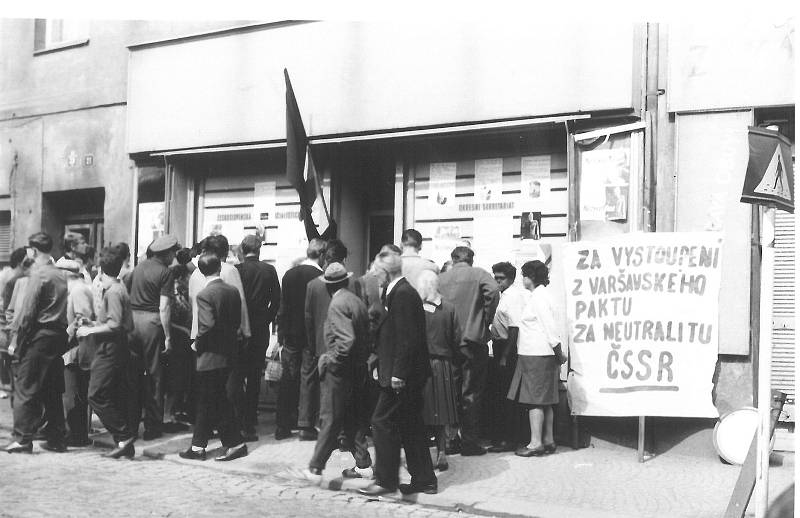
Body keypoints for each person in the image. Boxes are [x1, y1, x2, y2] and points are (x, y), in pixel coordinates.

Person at [360, 251, 437, 497]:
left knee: (381, 422)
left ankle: (386, 479)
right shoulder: (397, 291)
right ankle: (424, 479)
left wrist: (398, 374)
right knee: (410, 424)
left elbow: (407, 338)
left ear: (385, 272)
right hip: (403, 372)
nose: (374, 276)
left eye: (376, 272)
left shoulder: (402, 294)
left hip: (402, 375)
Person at [303, 262, 372, 482]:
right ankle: (362, 464)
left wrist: (329, 360)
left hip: (340, 371)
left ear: (328, 286)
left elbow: (346, 341)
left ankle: (315, 467)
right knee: (354, 417)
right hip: (357, 369)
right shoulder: (356, 301)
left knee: (330, 418)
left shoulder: (337, 304)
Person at [179, 253, 248, 462]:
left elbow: (206, 325)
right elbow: (236, 321)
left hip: (209, 356)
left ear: (200, 271)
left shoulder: (204, 294)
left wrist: (197, 343)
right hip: (228, 352)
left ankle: (203, 446)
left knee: (208, 400)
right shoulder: (232, 291)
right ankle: (226, 443)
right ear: (220, 267)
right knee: (216, 400)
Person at [5, 232, 69, 453]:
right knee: (51, 387)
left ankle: (22, 438)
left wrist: (17, 340)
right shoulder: (60, 274)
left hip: (39, 335)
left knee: (25, 385)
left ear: (33, 251)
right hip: (57, 335)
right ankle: (57, 438)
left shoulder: (39, 275)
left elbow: (28, 312)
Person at [437, 246, 499, 456]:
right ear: (471, 259)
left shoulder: (442, 278)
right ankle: (469, 442)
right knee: (471, 391)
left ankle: (451, 440)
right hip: (473, 339)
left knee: (450, 391)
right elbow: (493, 292)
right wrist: (485, 319)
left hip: (448, 341)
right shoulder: (480, 274)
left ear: (453, 260)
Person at [188, 234, 251, 439]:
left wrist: (195, 336)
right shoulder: (229, 270)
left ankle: (207, 433)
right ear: (224, 252)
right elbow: (240, 301)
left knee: (207, 388)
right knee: (229, 386)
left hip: (200, 336)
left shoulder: (196, 273)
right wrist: (246, 330)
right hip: (224, 337)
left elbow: (193, 306)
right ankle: (233, 431)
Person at [78, 244, 137, 459]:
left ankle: (123, 435)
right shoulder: (119, 288)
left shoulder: (112, 292)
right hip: (116, 346)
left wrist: (87, 330)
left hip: (109, 348)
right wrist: (93, 322)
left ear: (102, 271)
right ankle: (124, 442)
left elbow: (114, 324)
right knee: (112, 393)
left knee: (95, 395)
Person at [508, 260, 566, 457]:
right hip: (542, 354)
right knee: (546, 400)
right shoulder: (543, 296)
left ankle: (535, 443)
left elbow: (549, 327)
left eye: (524, 275)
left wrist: (558, 352)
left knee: (534, 401)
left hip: (535, 354)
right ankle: (548, 439)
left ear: (530, 277)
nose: (522, 279)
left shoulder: (538, 298)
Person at [128, 234, 178, 440]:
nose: (174, 256)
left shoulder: (137, 268)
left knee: (134, 375)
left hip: (132, 323)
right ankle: (152, 426)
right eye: (173, 252)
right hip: (151, 323)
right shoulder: (165, 273)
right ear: (165, 254)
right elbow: (164, 306)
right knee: (155, 376)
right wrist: (168, 336)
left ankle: (131, 424)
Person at [275, 238, 326, 440]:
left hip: (290, 334)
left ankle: (282, 425)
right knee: (308, 379)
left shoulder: (289, 275)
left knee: (287, 377)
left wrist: (280, 334)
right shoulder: (320, 277)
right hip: (310, 334)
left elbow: (283, 306)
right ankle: (305, 425)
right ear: (321, 255)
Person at [300, 239, 350, 441]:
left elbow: (308, 318)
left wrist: (312, 344)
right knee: (341, 390)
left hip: (321, 344)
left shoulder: (313, 285)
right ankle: (339, 432)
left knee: (321, 388)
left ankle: (318, 426)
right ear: (344, 259)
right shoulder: (353, 282)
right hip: (344, 345)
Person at [235, 235, 281, 440]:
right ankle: (250, 420)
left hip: (240, 327)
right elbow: (276, 300)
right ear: (259, 250)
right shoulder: (269, 270)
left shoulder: (237, 270)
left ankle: (239, 416)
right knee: (254, 376)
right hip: (260, 327)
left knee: (237, 374)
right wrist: (266, 319)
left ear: (243, 250)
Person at [415, 270, 461, 472]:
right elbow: (457, 338)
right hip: (443, 364)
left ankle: (423, 456)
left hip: (422, 364)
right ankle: (442, 452)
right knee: (441, 411)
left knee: (421, 411)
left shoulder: (417, 309)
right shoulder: (449, 308)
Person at [487, 261, 529, 452]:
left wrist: (504, 355)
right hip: (499, 345)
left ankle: (510, 439)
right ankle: (506, 437)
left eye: (501, 278)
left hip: (508, 349)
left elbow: (514, 327)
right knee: (502, 394)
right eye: (495, 278)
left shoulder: (512, 297)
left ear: (511, 278)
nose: (498, 282)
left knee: (507, 395)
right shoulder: (503, 295)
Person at [57, 258, 95, 447]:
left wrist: (65, 335)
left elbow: (83, 319)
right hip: (73, 348)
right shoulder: (74, 288)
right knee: (72, 392)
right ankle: (76, 433)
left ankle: (78, 435)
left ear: (65, 272)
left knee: (73, 393)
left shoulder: (78, 290)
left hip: (76, 349)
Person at [164, 248, 194, 428]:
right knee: (175, 379)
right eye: (187, 278)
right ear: (180, 279)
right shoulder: (175, 297)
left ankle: (175, 413)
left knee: (181, 379)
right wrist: (184, 330)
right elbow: (170, 319)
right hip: (177, 340)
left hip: (183, 341)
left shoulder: (181, 294)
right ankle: (170, 416)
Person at [0, 247, 28, 399]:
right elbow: (8, 308)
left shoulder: (11, 276)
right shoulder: (15, 279)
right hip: (11, 329)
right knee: (12, 364)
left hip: (9, 328)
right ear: (21, 262)